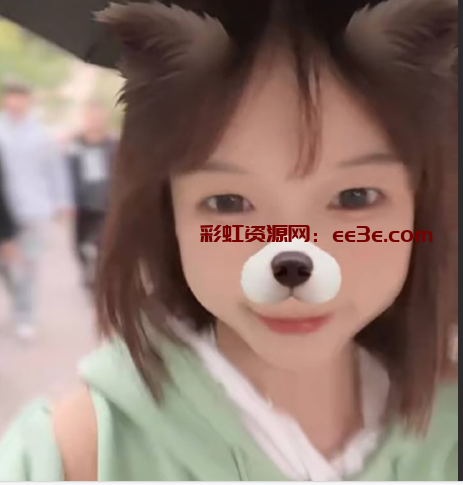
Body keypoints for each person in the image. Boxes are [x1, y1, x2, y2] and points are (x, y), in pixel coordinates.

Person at [0, 0, 458, 480]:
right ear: (168, 212)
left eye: (355, 196)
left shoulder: (449, 431)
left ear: (419, 205)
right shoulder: (73, 458)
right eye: (228, 202)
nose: (293, 248)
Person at [0, 82, 72, 340]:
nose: (15, 102)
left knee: (28, 265)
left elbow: (56, 170)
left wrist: (63, 202)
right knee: (7, 265)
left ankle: (25, 315)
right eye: (11, 98)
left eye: (20, 98)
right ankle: (18, 300)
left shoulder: (42, 135)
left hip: (35, 208)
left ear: (27, 101)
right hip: (4, 211)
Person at [68, 100, 117, 291]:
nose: (94, 120)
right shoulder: (75, 145)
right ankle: (87, 270)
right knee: (80, 243)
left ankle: (101, 276)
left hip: (107, 202)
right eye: (91, 116)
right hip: (82, 204)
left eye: (98, 116)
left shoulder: (114, 145)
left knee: (104, 241)